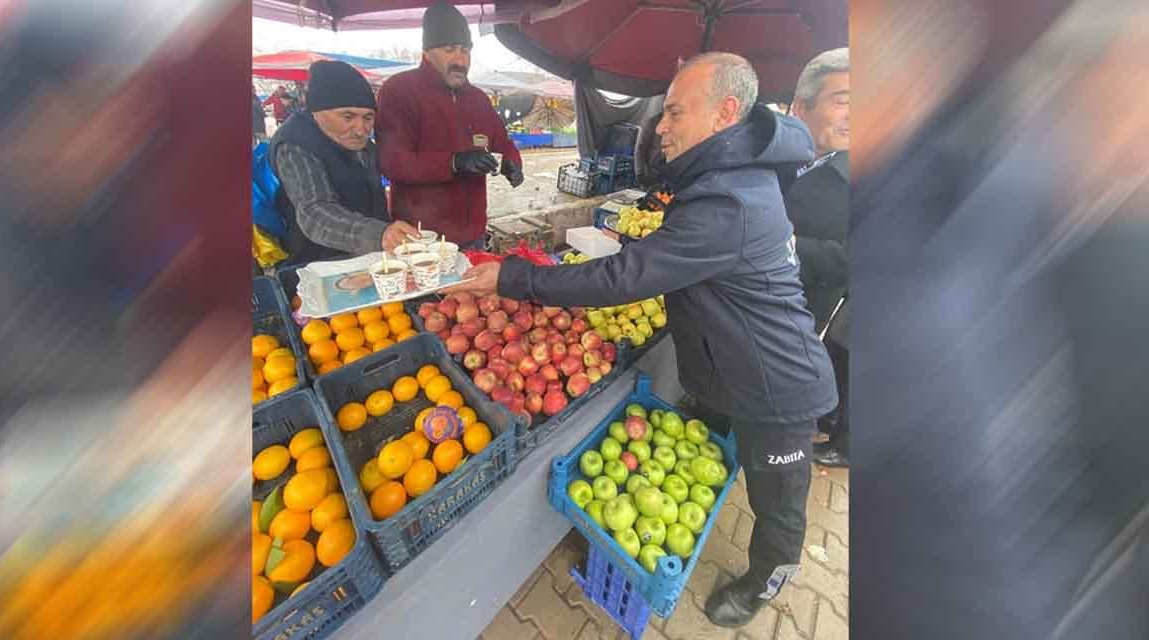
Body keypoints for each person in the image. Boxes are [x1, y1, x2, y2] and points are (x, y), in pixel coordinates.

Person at [446, 52, 837, 628]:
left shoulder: (727, 200)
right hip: (736, 367)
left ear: (725, 112)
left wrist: (515, 277)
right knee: (726, 456)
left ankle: (767, 578)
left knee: (777, 499)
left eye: (675, 112)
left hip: (778, 382)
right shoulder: (730, 176)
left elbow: (623, 278)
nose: (660, 125)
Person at [375, 1, 525, 249]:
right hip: (422, 238)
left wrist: (512, 161)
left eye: (465, 50)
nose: (460, 60)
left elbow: (502, 142)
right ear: (426, 52)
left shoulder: (478, 98)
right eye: (449, 49)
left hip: (474, 234)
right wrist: (453, 162)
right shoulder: (399, 91)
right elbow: (392, 162)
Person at [269, 60, 419, 264]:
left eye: (368, 118)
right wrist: (380, 234)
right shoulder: (295, 144)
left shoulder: (359, 141)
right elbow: (315, 212)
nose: (360, 129)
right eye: (347, 116)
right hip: (322, 265)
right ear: (316, 111)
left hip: (373, 261)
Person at [785, 47, 849, 467]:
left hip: (810, 306)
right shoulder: (781, 156)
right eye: (842, 101)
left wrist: (786, 246)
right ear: (801, 107)